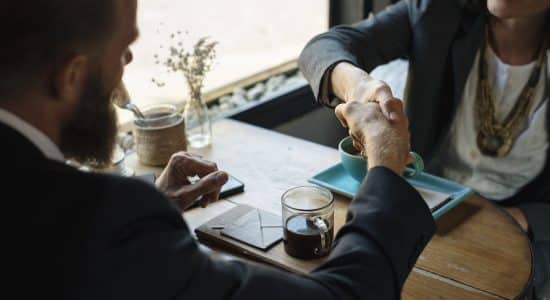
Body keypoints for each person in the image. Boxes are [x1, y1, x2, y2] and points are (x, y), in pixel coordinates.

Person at [0, 1, 436, 299]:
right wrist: (384, 163)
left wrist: (152, 199)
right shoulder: (100, 226)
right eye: (125, 51)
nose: (124, 69)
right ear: (71, 75)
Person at [299, 0, 549, 297]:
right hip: (429, 211)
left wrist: (522, 218)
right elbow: (323, 48)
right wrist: (359, 87)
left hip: (524, 231)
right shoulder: (439, 12)